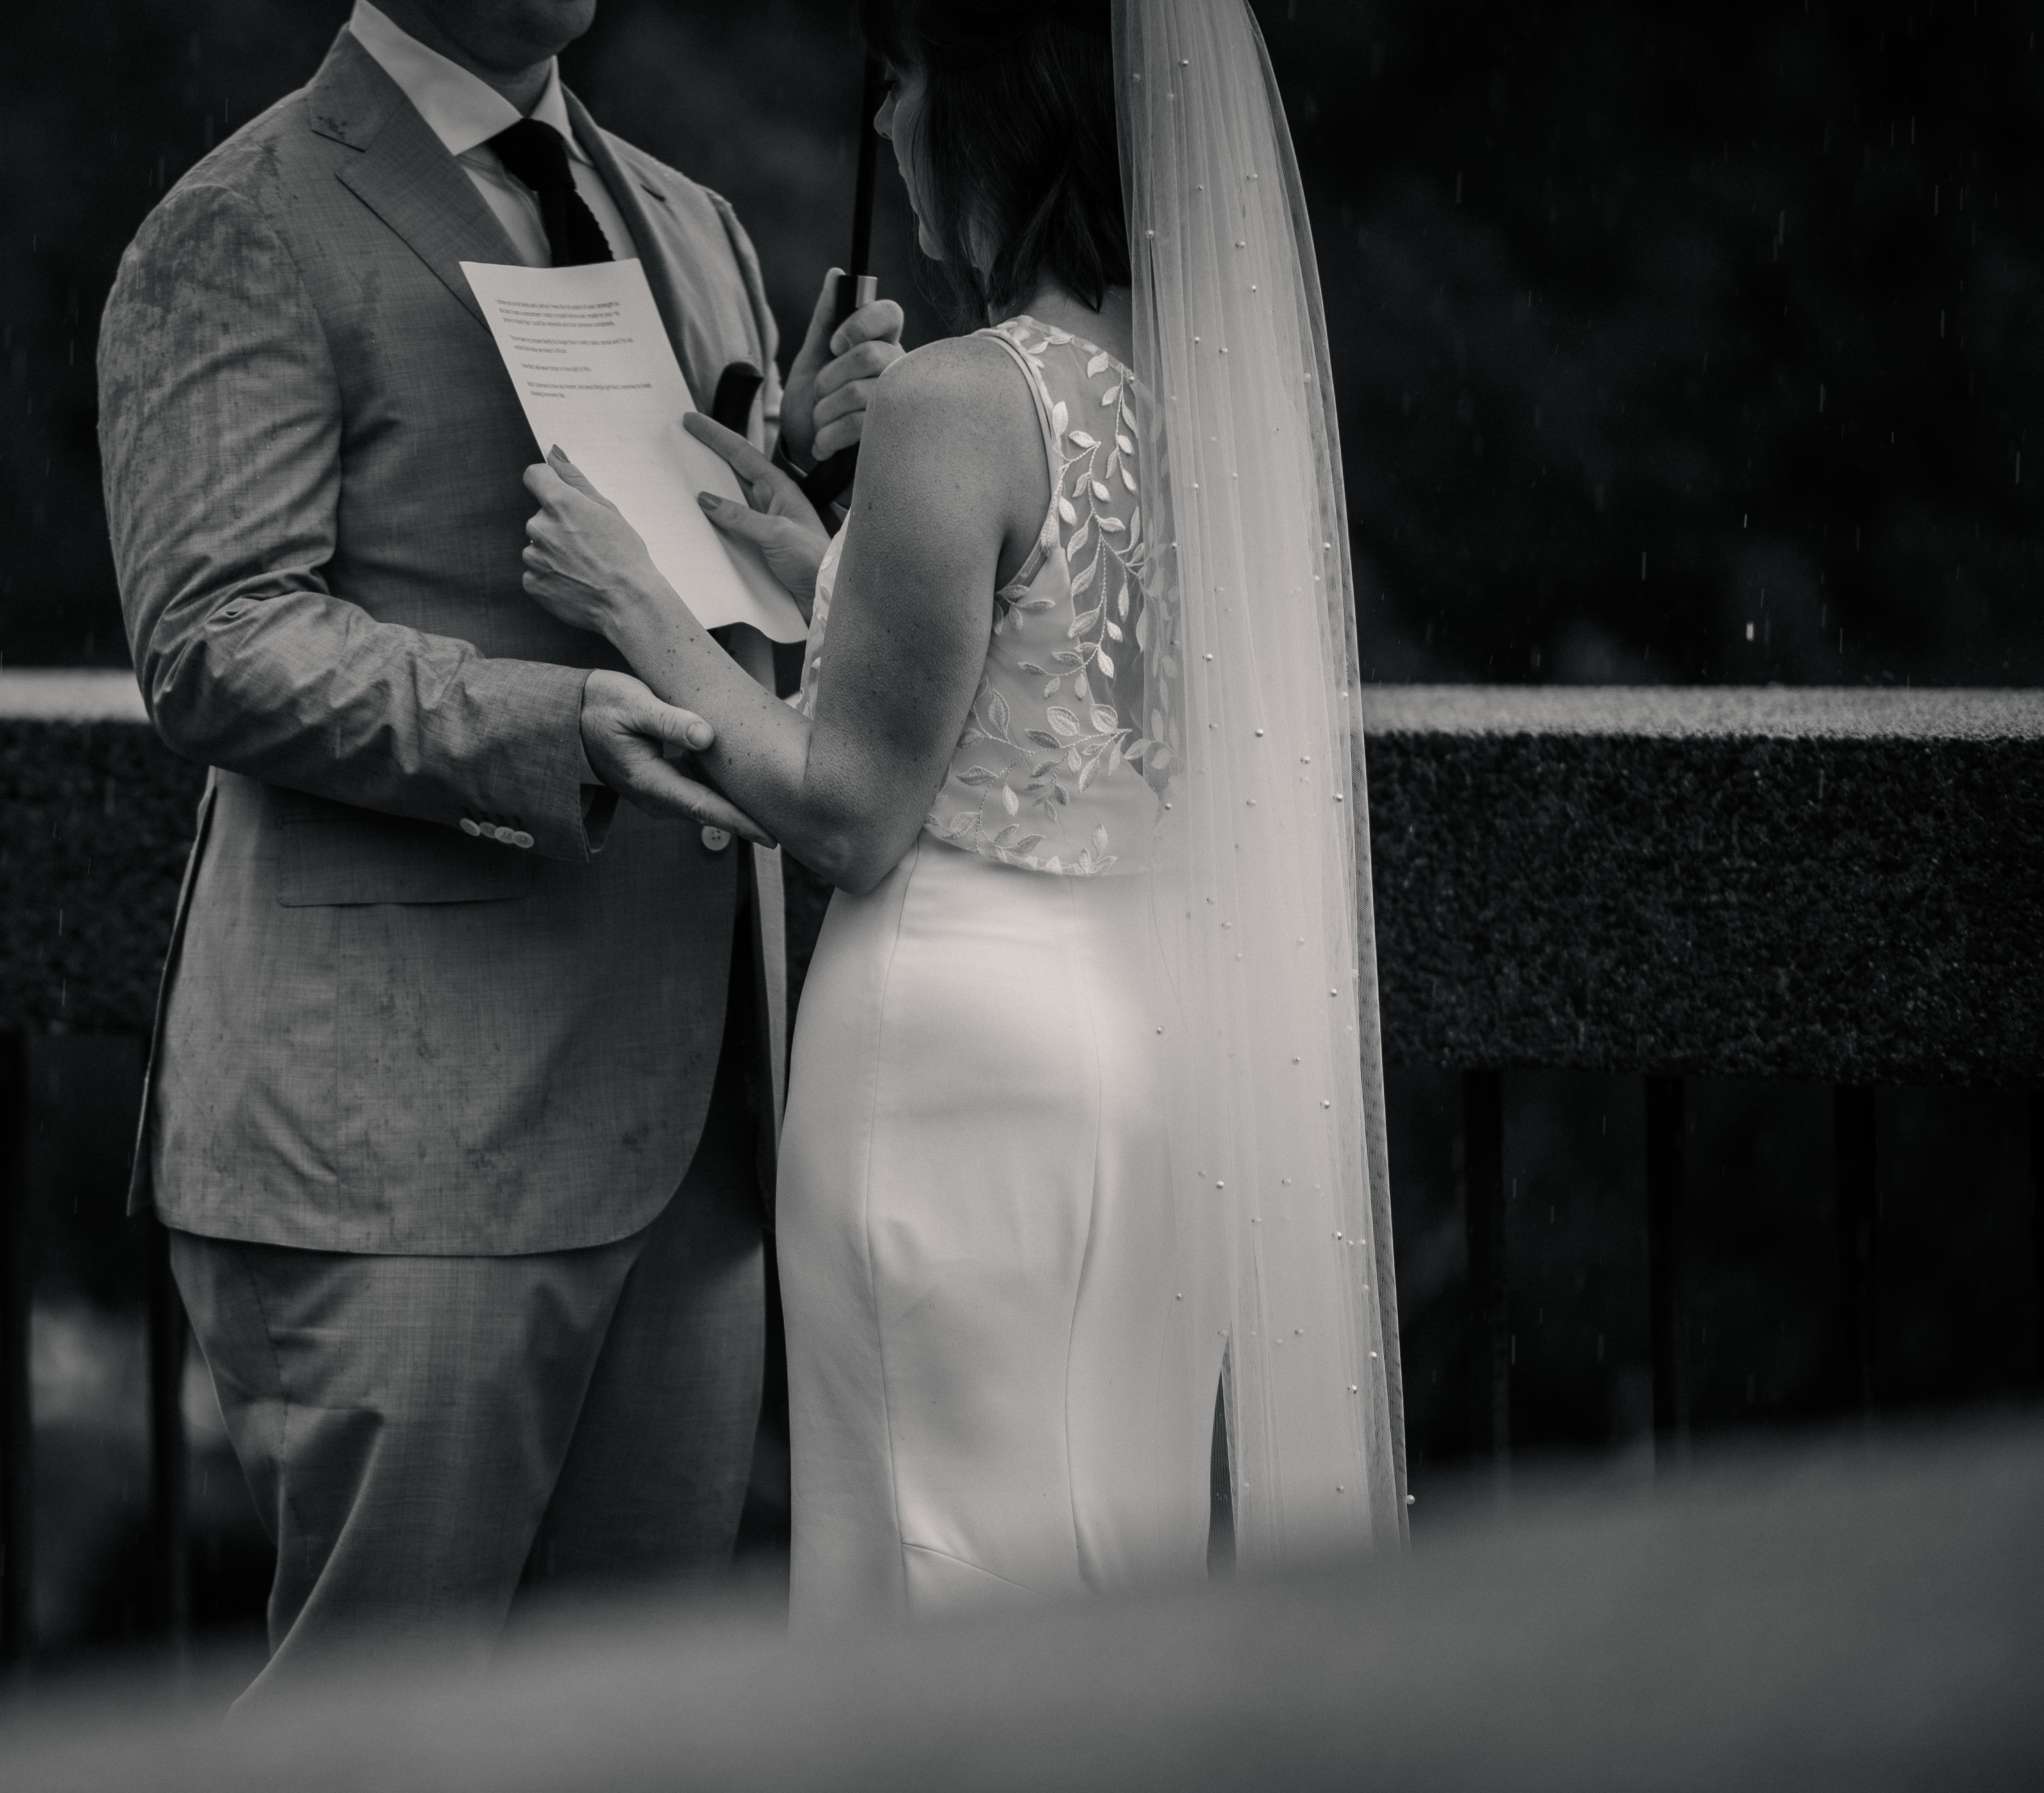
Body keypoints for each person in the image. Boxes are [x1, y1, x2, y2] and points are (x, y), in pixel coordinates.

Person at [517, 0, 1409, 1626]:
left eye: (908, 87)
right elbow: (1064, 668)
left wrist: (641, 602)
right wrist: (824, 561)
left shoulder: (958, 401)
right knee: (1095, 1565)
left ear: (1002, 112)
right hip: (1146, 1059)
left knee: (936, 1569)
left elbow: (848, 811)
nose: (884, 132)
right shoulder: (1197, 397)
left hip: (955, 1064)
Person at [93, 0, 903, 1699]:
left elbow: (712, 600)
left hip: (694, 1142)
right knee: (376, 1740)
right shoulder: (240, 221)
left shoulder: (691, 220)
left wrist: (808, 488)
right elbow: (216, 639)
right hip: (405, 1153)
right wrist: (545, 732)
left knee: (623, 1738)